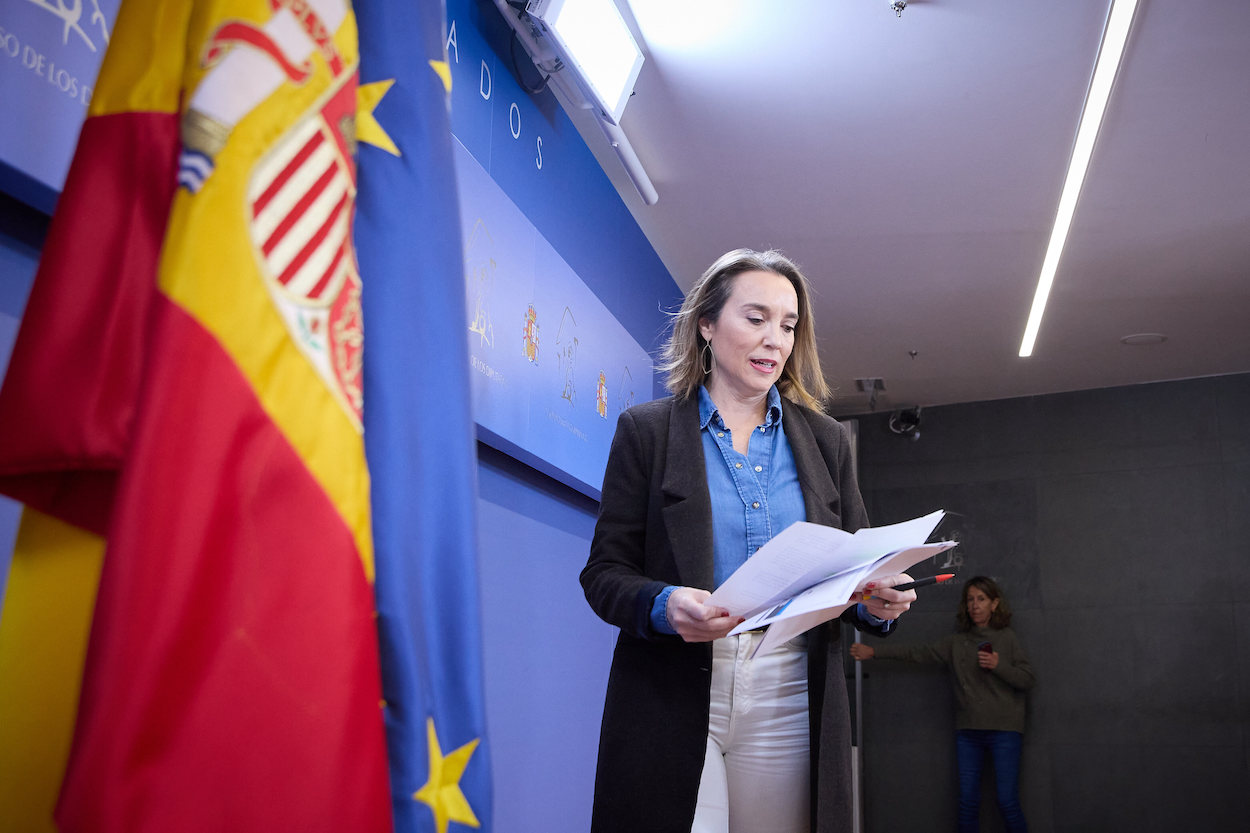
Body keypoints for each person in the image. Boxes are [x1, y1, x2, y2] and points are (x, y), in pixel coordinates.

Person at [580, 248, 918, 833]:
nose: (776, 340)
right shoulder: (647, 431)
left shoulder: (826, 441)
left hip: (792, 688)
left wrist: (878, 600)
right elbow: (605, 575)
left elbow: (860, 567)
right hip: (675, 686)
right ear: (706, 326)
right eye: (756, 318)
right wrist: (664, 606)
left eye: (788, 325)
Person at [849, 575, 1036, 832]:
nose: (975, 605)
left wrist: (998, 665)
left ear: (994, 604)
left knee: (1007, 801)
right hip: (968, 731)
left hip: (1005, 731)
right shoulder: (957, 643)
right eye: (970, 599)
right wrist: (874, 652)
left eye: (981, 599)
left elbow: (1026, 679)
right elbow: (918, 653)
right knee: (968, 802)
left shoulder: (1007, 638)